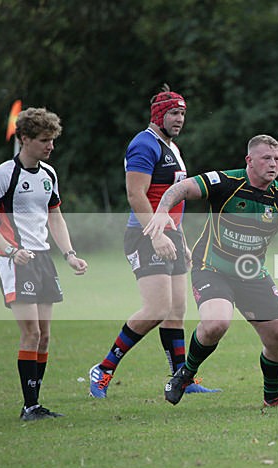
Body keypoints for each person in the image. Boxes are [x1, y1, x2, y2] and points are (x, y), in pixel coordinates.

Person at [144, 134, 278, 406]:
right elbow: (181, 188)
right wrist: (162, 210)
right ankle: (185, 373)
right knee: (216, 323)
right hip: (212, 267)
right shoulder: (226, 182)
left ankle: (272, 397)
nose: (272, 164)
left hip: (251, 273)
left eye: (276, 159)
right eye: (266, 158)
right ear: (249, 160)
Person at [88, 86, 219, 398]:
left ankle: (180, 378)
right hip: (145, 235)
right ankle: (104, 368)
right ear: (159, 115)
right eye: (174, 113)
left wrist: (181, 239)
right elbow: (136, 195)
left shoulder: (170, 146)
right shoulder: (143, 144)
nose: (179, 119)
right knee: (157, 308)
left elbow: (174, 200)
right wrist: (157, 234)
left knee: (176, 310)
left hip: (169, 234)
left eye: (183, 113)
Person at [0, 107, 88, 420]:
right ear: (24, 139)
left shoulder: (48, 175)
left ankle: (35, 403)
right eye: (43, 140)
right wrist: (11, 251)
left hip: (42, 259)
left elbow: (55, 216)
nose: (50, 146)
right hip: (15, 260)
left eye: (52, 140)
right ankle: (29, 407)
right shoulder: (2, 175)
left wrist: (69, 254)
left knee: (45, 335)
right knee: (31, 333)